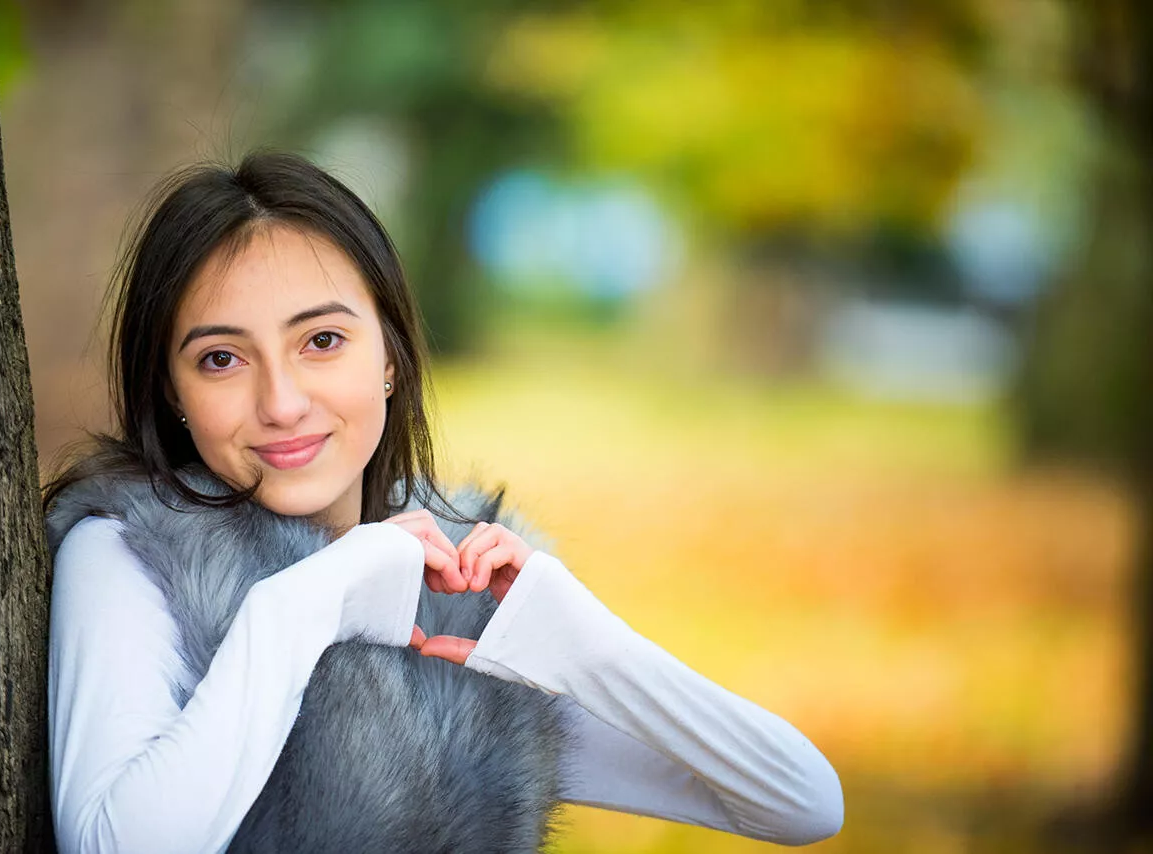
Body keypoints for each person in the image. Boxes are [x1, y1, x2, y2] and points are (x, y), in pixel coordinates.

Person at [43, 151, 843, 853]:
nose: (281, 402)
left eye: (322, 341)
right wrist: (307, 603)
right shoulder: (133, 552)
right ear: (173, 392)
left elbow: (799, 802)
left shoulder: (454, 594)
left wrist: (583, 642)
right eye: (221, 358)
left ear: (389, 357)